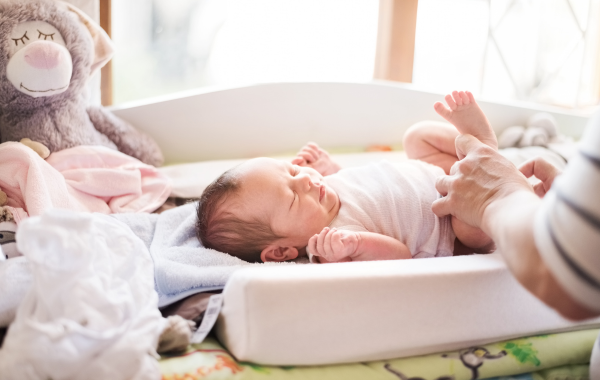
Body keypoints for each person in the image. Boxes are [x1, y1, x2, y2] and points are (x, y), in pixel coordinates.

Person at [195, 91, 496, 263]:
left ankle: (480, 160)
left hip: (436, 173)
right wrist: (354, 246)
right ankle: (485, 149)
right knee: (473, 230)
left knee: (417, 138)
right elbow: (400, 256)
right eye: (292, 197)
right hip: (453, 222)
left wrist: (332, 167)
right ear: (281, 251)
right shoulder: (332, 246)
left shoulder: (327, 190)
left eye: (293, 171)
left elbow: (362, 190)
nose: (305, 180)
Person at [431, 94, 600, 376]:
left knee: (420, 139)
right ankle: (487, 148)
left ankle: (488, 145)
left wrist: (497, 194)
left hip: (461, 206)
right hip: (464, 194)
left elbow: (561, 275)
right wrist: (577, 214)